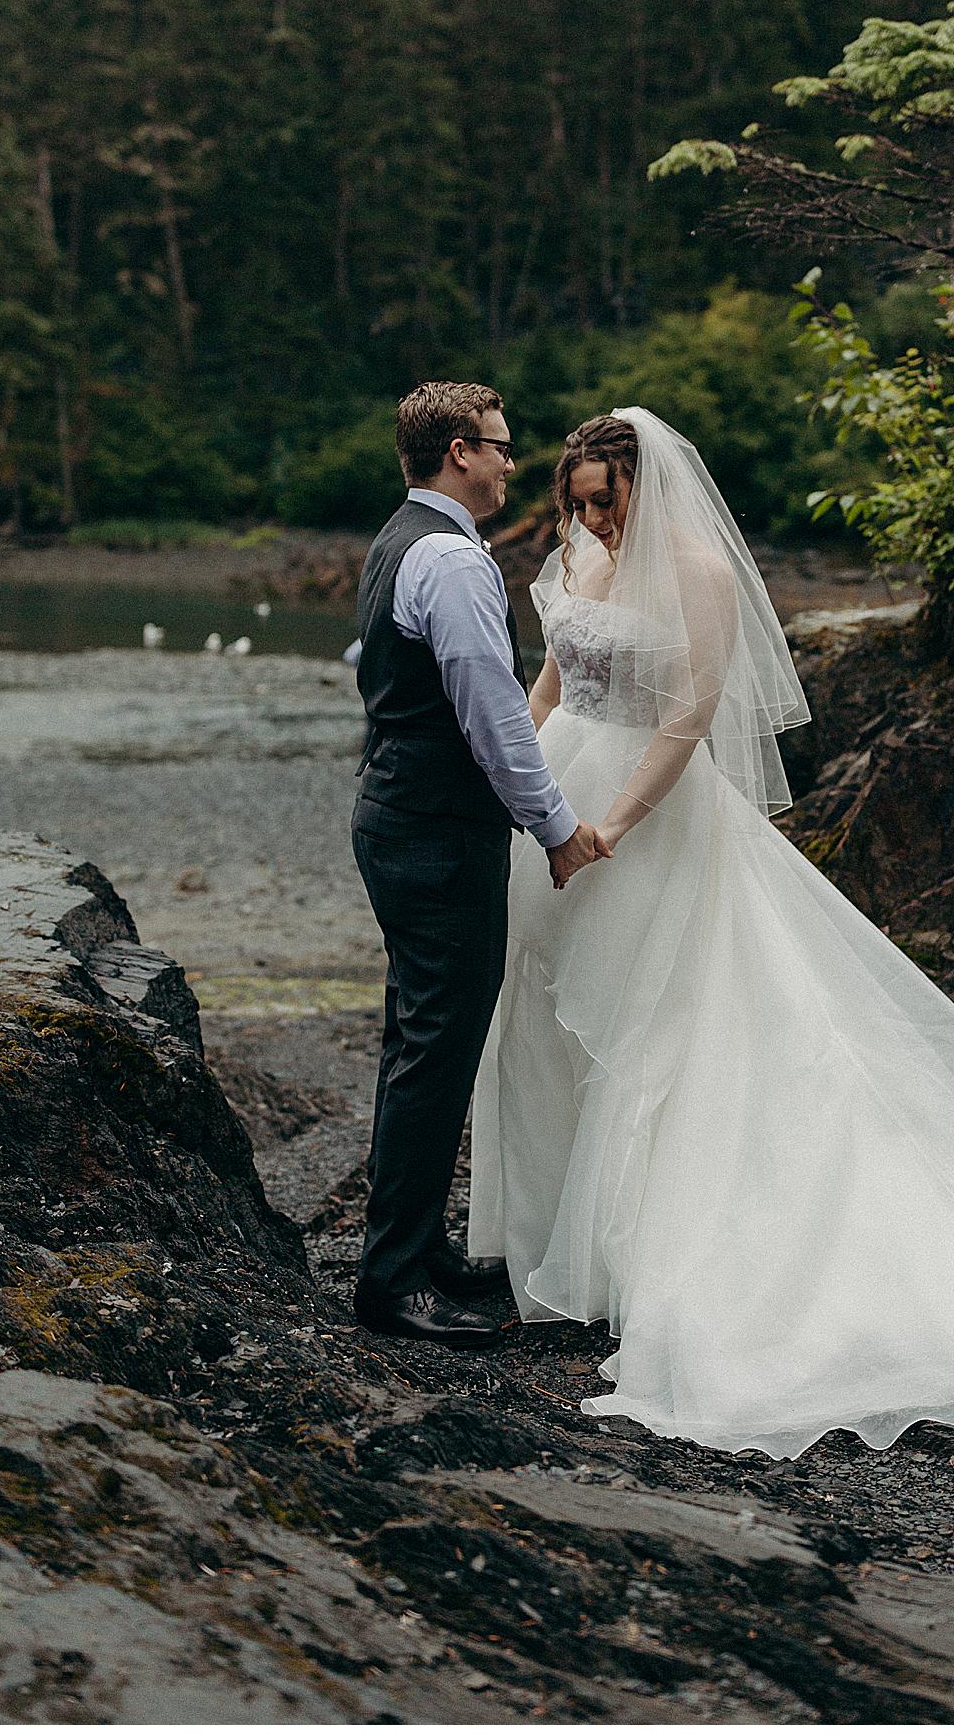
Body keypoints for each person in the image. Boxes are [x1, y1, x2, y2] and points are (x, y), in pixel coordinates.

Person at [468, 406, 954, 1455]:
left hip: (646, 817)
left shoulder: (698, 572)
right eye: (578, 507)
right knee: (546, 1005)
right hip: (563, 784)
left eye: (605, 505)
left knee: (661, 1026)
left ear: (644, 487)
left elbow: (688, 715)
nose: (593, 525)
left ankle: (657, 1258)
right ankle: (559, 1252)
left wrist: (610, 826)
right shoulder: (581, 551)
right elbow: (552, 678)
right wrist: (523, 782)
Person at [349, 382, 610, 1350]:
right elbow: (490, 712)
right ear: (461, 449)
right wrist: (553, 824)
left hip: (399, 814)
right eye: (502, 447)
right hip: (432, 830)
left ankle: (413, 1250)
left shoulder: (396, 539)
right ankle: (390, 1282)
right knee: (433, 1050)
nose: (511, 463)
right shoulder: (453, 558)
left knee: (419, 1040)